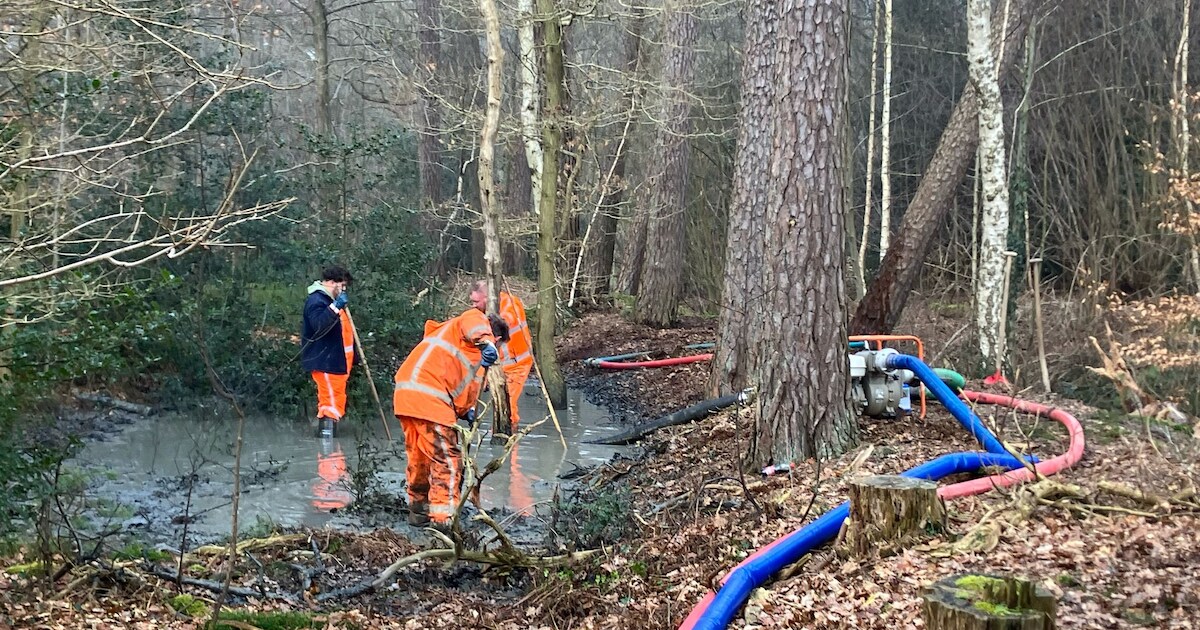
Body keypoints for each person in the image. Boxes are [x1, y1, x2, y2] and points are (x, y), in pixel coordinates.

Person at [393, 307, 510, 529]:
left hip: (407, 396)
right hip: (430, 399)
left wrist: (466, 411)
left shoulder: (459, 345)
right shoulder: (474, 323)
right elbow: (475, 319)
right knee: (447, 459)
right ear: (496, 337)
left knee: (420, 458)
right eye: (500, 345)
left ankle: (418, 510)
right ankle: (443, 521)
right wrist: (486, 342)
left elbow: (459, 388)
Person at [469, 280, 534, 434]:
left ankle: (508, 437)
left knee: (507, 405)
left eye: (476, 301)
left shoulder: (511, 303)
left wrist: (490, 322)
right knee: (472, 389)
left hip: (517, 364)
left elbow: (506, 321)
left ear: (487, 297)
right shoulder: (481, 311)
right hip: (496, 362)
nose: (473, 305)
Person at [301, 266, 357, 439]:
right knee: (329, 403)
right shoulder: (316, 300)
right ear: (333, 283)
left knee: (336, 401)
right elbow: (319, 326)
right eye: (343, 285)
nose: (344, 290)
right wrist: (335, 306)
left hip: (337, 363)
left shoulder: (330, 301)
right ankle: (328, 452)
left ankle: (332, 451)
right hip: (325, 361)